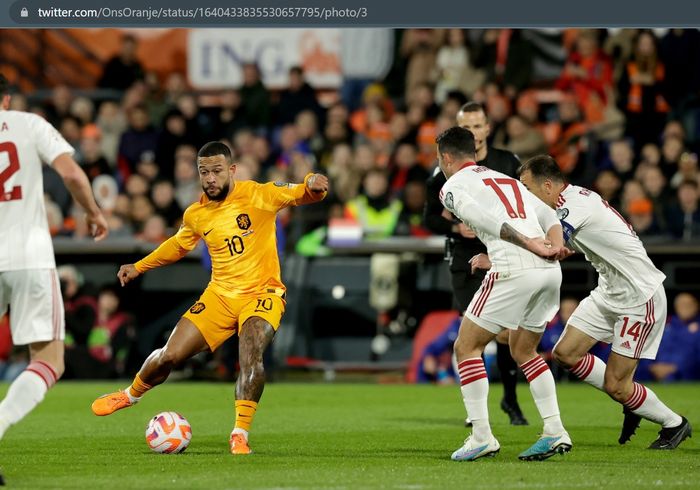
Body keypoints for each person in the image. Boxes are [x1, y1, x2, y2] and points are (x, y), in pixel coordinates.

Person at [91, 142, 328, 456]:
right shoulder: (197, 214)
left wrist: (313, 181)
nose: (210, 178)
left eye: (217, 171)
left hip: (262, 293)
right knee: (169, 355)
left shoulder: (258, 194)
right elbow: (177, 245)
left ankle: (239, 434)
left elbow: (305, 192)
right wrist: (139, 266)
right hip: (219, 296)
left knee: (250, 352)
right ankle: (130, 395)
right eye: (204, 172)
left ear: (231, 170)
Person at [518, 154, 691, 450]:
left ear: (548, 186)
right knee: (565, 353)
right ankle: (633, 400)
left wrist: (501, 254)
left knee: (617, 386)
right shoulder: (566, 205)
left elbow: (552, 246)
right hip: (609, 292)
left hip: (640, 297)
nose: (525, 196)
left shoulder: (574, 205)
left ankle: (674, 423)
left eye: (527, 188)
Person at [436, 126, 572, 462]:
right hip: (548, 272)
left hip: (515, 269)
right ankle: (555, 431)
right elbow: (548, 214)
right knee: (523, 349)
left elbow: (483, 217)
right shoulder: (507, 179)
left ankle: (481, 435)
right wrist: (555, 245)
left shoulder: (451, 185)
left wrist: (526, 244)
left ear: (448, 158)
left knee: (466, 346)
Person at [0, 73, 109, 472]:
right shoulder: (30, 124)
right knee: (49, 360)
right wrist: (93, 213)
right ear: (7, 99)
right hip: (29, 255)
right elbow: (72, 174)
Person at [424, 101, 527, 426]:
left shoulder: (507, 163)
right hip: (465, 259)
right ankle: (476, 412)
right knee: (473, 335)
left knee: (508, 333)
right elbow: (428, 218)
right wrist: (455, 227)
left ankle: (510, 398)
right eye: (466, 126)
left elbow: (527, 202)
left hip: (504, 255)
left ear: (487, 129)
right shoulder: (443, 172)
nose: (473, 131)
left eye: (478, 125)